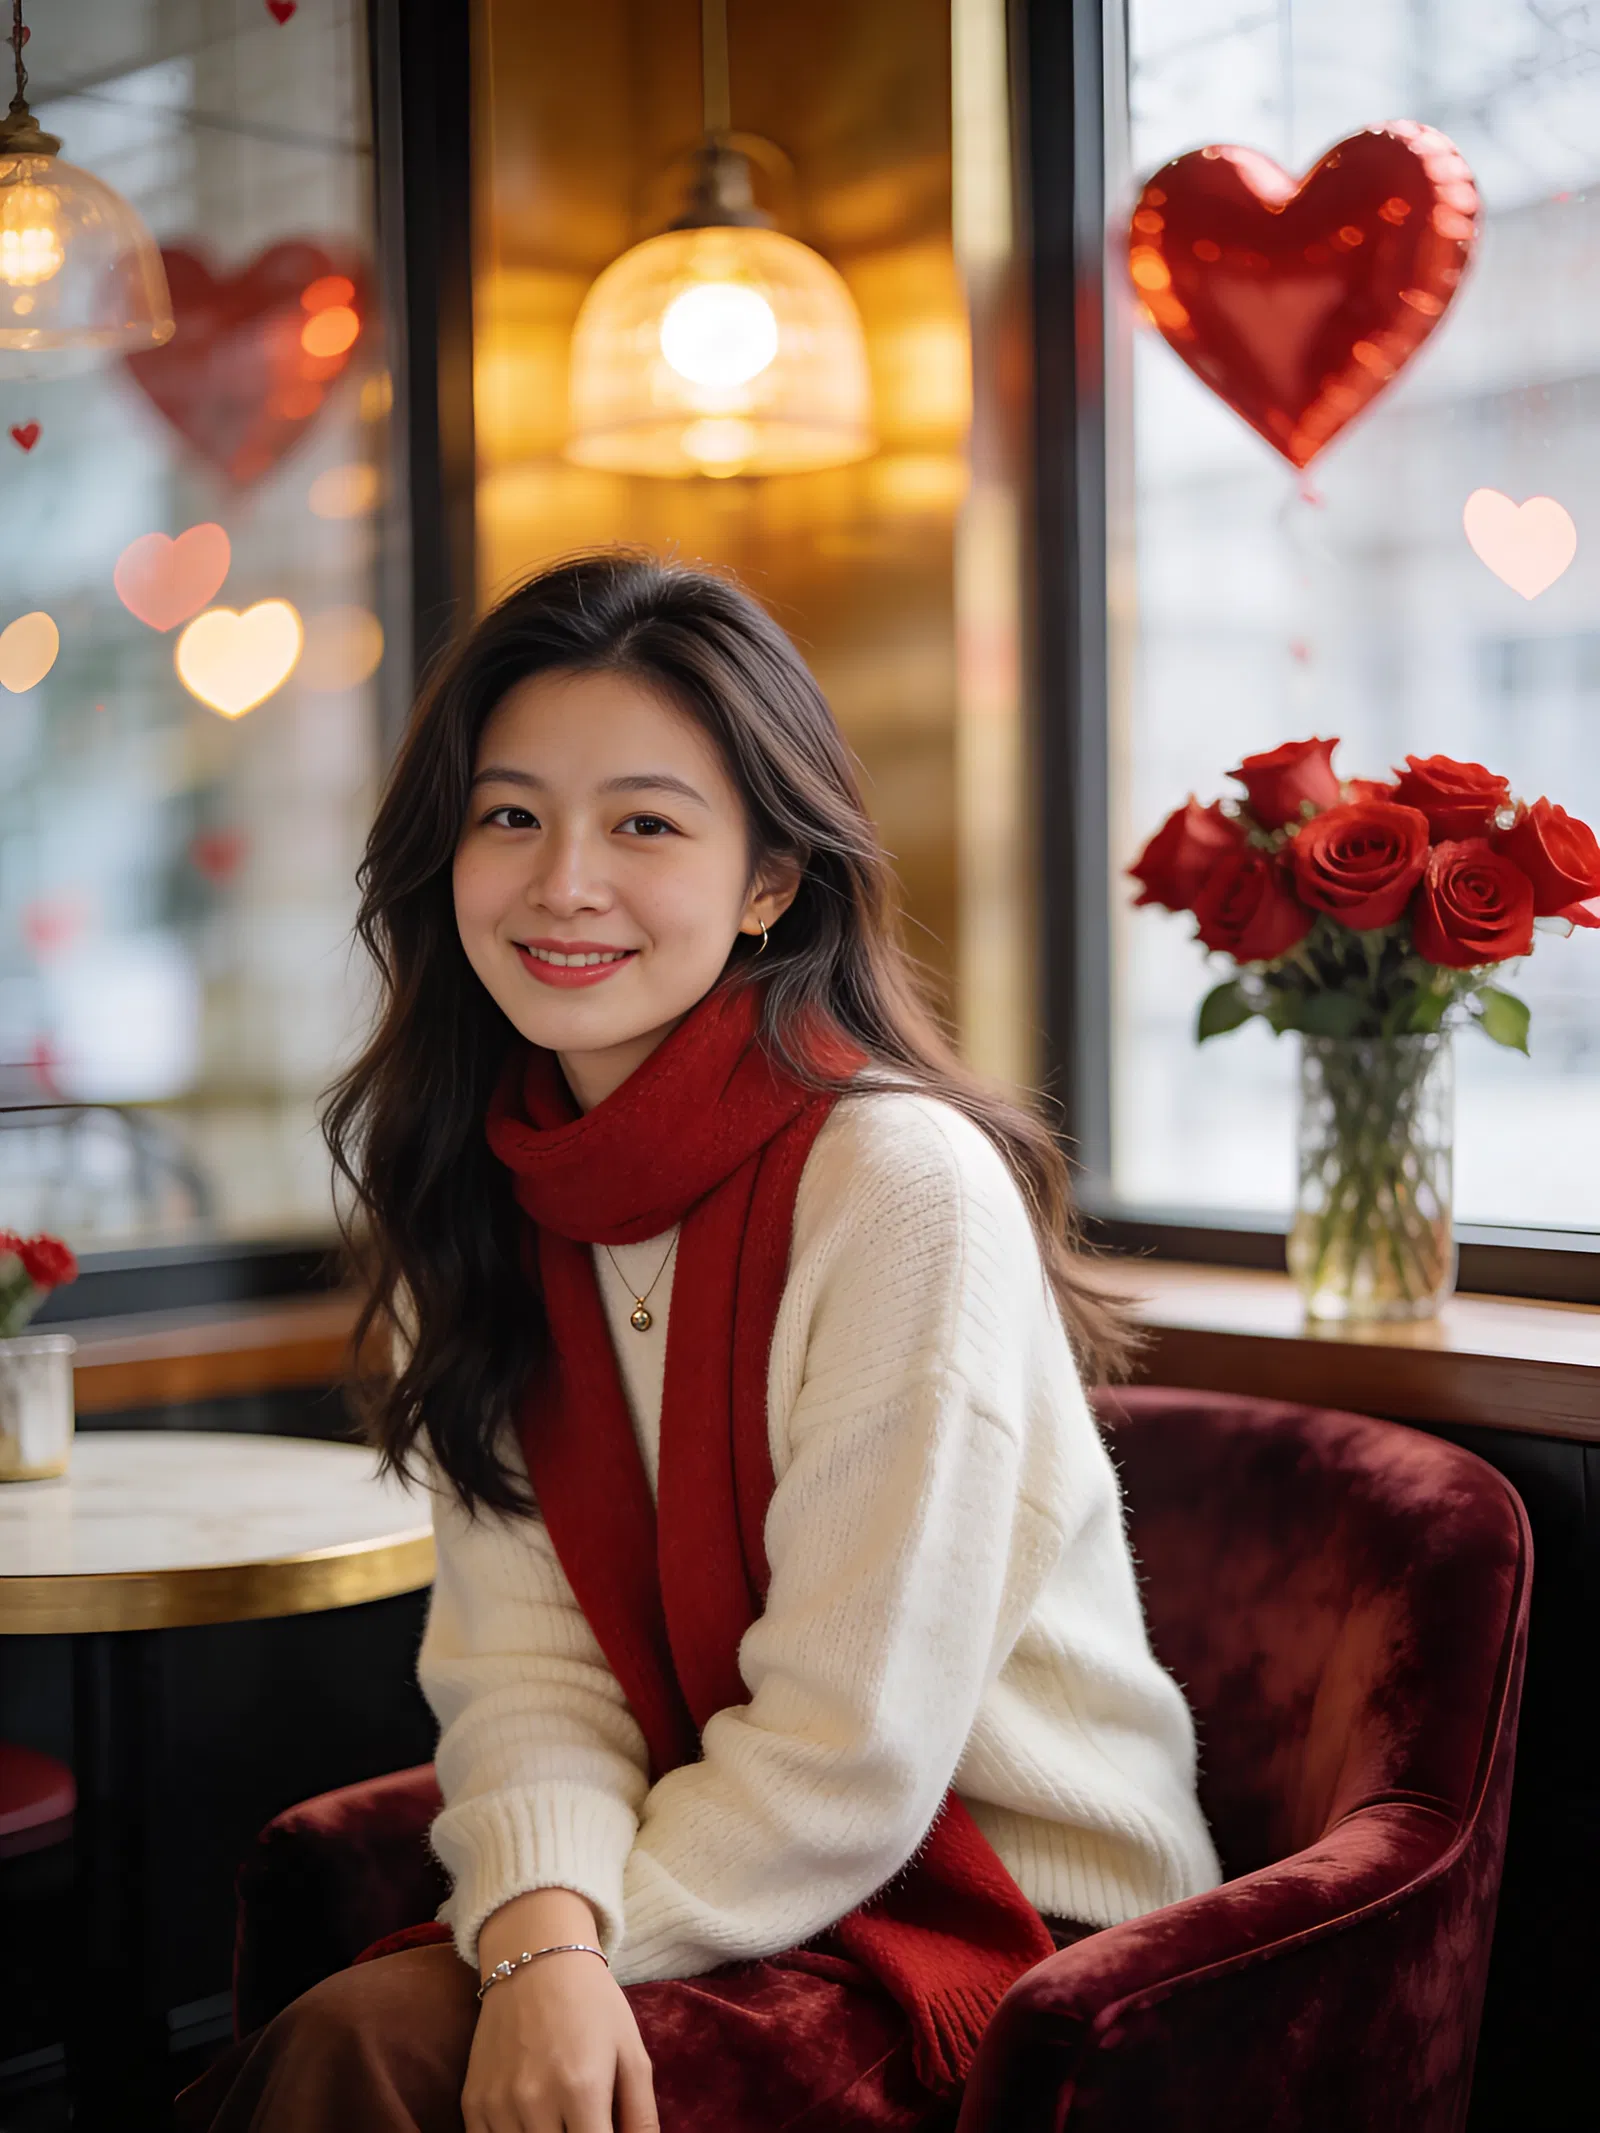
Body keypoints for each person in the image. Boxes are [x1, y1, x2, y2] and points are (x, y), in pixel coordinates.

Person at [176, 550, 1221, 2133]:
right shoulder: (491, 1189)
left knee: (366, 2056)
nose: (562, 882)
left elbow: (850, 1752)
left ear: (766, 884)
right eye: (508, 815)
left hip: (1010, 1920)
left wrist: (560, 1962)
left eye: (646, 824)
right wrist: (542, 1938)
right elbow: (526, 1671)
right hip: (699, 1866)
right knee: (354, 2048)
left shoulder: (895, 1183)